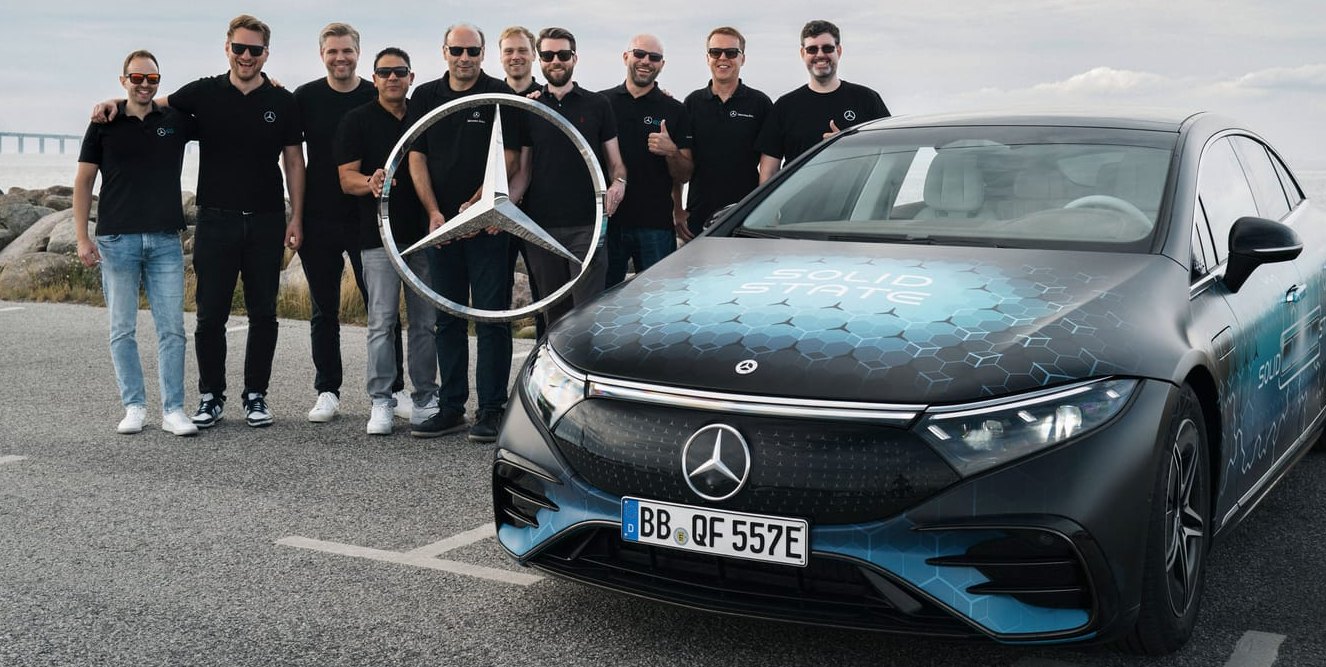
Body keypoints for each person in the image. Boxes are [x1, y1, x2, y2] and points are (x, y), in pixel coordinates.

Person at [74, 50, 198, 437]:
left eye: (152, 79)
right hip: (117, 238)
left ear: (159, 81)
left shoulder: (175, 120)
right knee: (122, 328)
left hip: (164, 239)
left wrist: (269, 84)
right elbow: (83, 182)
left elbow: (221, 108)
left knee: (172, 330)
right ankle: (134, 406)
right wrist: (82, 237)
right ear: (123, 79)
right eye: (137, 78)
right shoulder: (103, 123)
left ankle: (173, 410)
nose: (144, 84)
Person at [407, 23, 520, 442]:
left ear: (483, 53)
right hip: (442, 228)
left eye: (472, 51)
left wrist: (478, 206)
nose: (464, 58)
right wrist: (434, 212)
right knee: (448, 318)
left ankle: (491, 409)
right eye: (457, 50)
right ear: (444, 52)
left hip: (488, 226)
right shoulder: (425, 97)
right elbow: (415, 154)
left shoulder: (499, 93)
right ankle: (451, 407)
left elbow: (509, 157)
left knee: (492, 318)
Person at [336, 47, 439, 436]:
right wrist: (370, 182)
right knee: (381, 321)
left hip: (424, 236)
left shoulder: (424, 116)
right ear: (374, 78)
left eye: (400, 72)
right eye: (384, 72)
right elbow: (346, 179)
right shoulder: (356, 120)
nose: (392, 78)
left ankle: (425, 398)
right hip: (377, 236)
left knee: (425, 322)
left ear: (411, 77)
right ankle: (381, 400)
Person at [293, 22, 384, 424]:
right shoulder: (305, 97)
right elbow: (291, 157)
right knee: (324, 309)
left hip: (366, 218)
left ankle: (393, 389)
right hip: (318, 217)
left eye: (347, 50)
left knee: (380, 309)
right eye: (332, 51)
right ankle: (327, 390)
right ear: (322, 55)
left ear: (358, 54)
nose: (340, 58)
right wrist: (296, 217)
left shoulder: (374, 93)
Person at [514, 27, 627, 324]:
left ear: (574, 58)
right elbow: (523, 172)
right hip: (541, 228)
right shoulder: (530, 106)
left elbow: (616, 163)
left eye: (563, 55)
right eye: (548, 55)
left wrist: (619, 184)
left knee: (587, 315)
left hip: (588, 226)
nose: (556, 61)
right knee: (555, 316)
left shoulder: (598, 105)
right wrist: (500, 211)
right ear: (540, 60)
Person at [599, 34, 692, 287]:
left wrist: (671, 151)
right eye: (639, 54)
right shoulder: (601, 103)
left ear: (662, 64)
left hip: (655, 224)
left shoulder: (675, 110)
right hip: (608, 223)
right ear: (625, 57)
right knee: (602, 301)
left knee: (657, 301)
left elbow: (685, 174)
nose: (646, 61)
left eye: (654, 57)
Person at [756, 19, 889, 183]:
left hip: (856, 198)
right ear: (803, 53)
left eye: (827, 48)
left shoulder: (867, 99)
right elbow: (768, 172)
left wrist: (850, 147)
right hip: (799, 199)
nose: (820, 55)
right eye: (812, 49)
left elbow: (890, 157)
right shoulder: (785, 106)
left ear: (838, 51)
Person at [682, 27, 772, 237]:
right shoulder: (692, 103)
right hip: (698, 213)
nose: (723, 58)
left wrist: (766, 209)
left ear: (743, 58)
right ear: (707, 58)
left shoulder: (760, 104)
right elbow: (680, 164)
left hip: (747, 214)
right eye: (715, 52)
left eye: (731, 53)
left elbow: (770, 165)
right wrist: (677, 208)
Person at [497, 25, 546, 339]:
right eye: (509, 51)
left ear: (534, 55)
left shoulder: (548, 97)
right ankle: (498, 373)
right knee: (497, 298)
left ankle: (544, 362)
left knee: (546, 296)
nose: (516, 57)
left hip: (540, 213)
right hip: (497, 213)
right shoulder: (489, 97)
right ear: (500, 56)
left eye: (522, 51)